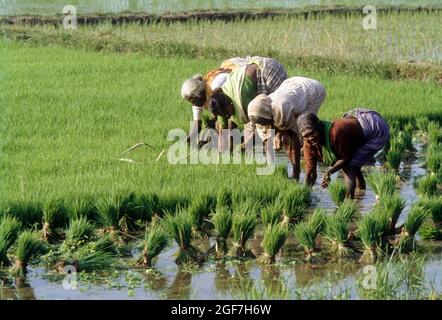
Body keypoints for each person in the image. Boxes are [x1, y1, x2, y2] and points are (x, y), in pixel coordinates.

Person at [297, 108, 390, 198]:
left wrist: (330, 171)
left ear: (319, 127)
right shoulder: (308, 145)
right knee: (354, 163)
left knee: (350, 166)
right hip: (354, 126)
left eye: (312, 132)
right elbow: (310, 172)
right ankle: (361, 193)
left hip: (375, 127)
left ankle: (349, 201)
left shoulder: (335, 133)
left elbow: (346, 158)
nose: (310, 138)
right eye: (306, 136)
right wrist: (305, 194)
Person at [247, 77, 326, 180]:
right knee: (283, 135)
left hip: (313, 91)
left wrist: (279, 135)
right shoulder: (258, 113)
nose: (264, 125)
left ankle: (299, 170)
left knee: (304, 130)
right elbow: (267, 139)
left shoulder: (282, 107)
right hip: (292, 85)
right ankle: (297, 166)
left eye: (265, 122)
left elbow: (291, 135)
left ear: (269, 115)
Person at [208, 56, 288, 151]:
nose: (228, 115)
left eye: (227, 113)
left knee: (273, 113)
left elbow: (257, 120)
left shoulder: (242, 98)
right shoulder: (220, 102)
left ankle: (282, 140)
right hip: (252, 78)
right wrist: (223, 148)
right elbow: (223, 128)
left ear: (229, 103)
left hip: (271, 72)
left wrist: (246, 144)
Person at [181, 58, 247, 142]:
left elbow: (230, 109)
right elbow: (196, 125)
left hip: (240, 74)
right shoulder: (197, 100)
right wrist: (188, 141)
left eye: (193, 101)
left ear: (199, 95)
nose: (193, 104)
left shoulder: (215, 86)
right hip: (226, 80)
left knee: (231, 125)